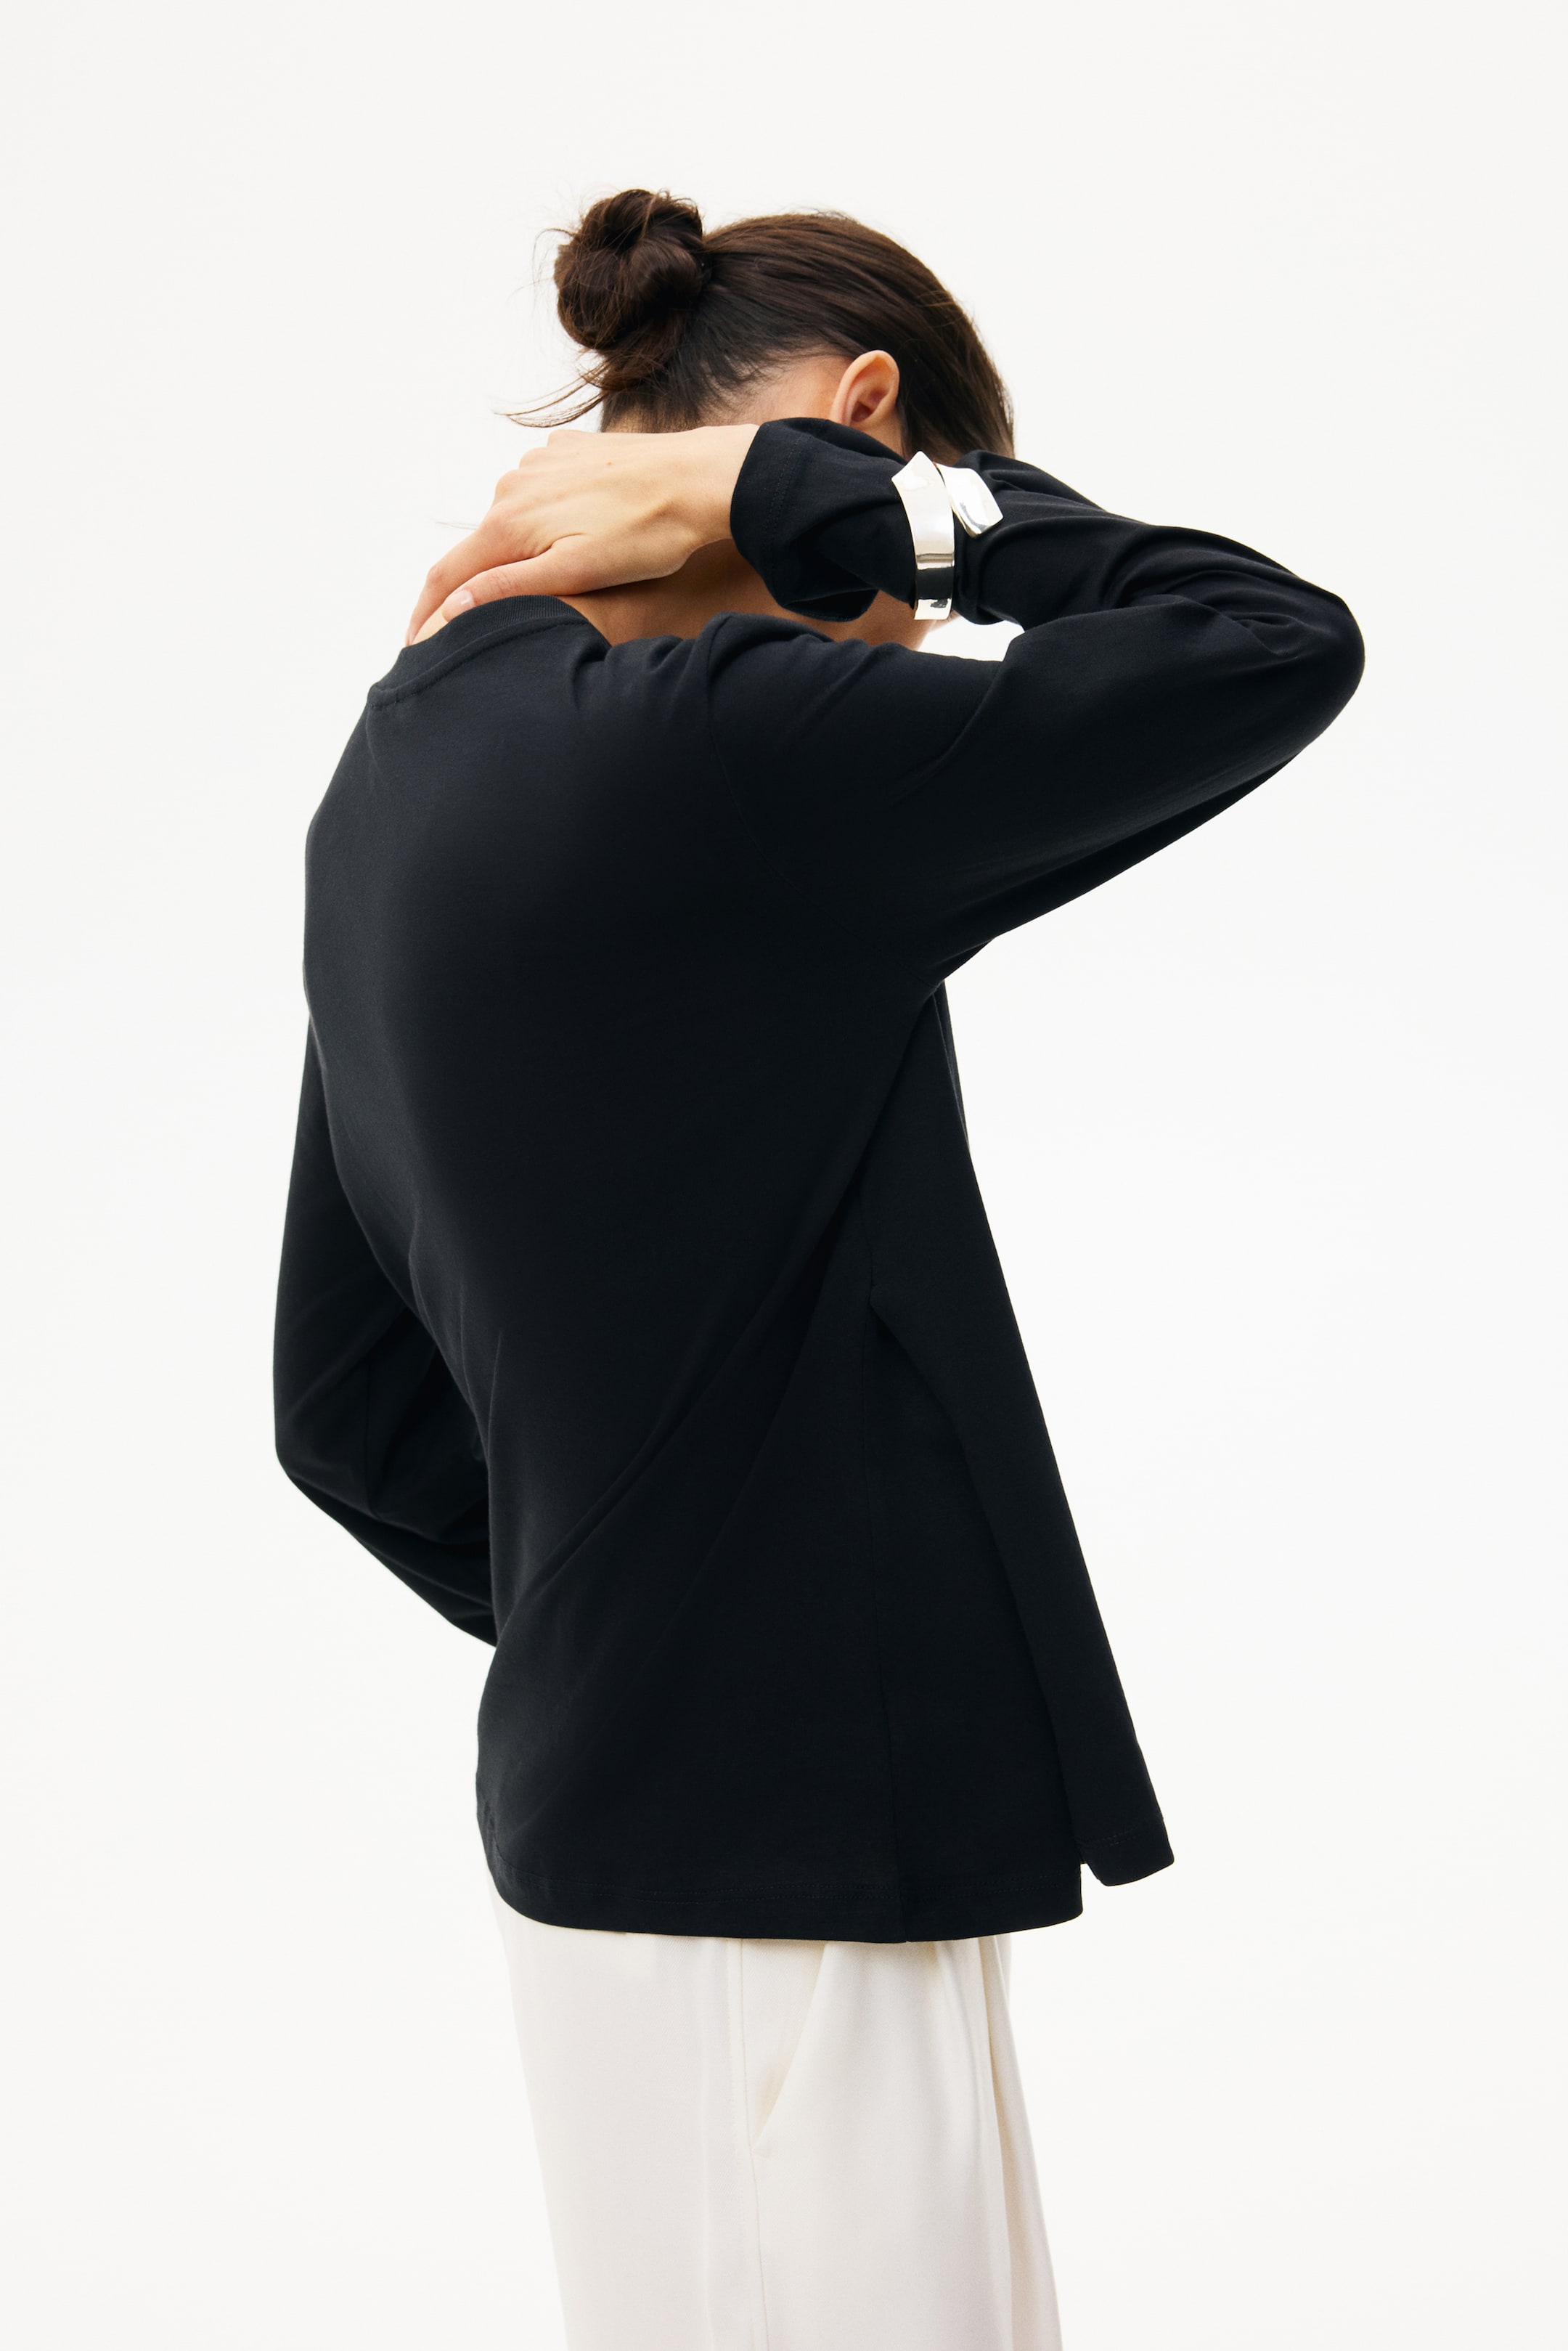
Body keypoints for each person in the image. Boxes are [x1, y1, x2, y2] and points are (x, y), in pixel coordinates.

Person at [274, 189, 1363, 2350]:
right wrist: (844, 511)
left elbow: (346, 1413)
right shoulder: (729, 750)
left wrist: (641, 1592)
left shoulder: (397, 765)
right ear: (865, 423)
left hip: (611, 1849)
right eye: (913, 557)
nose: (923, 636)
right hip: (796, 1867)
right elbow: (1268, 640)